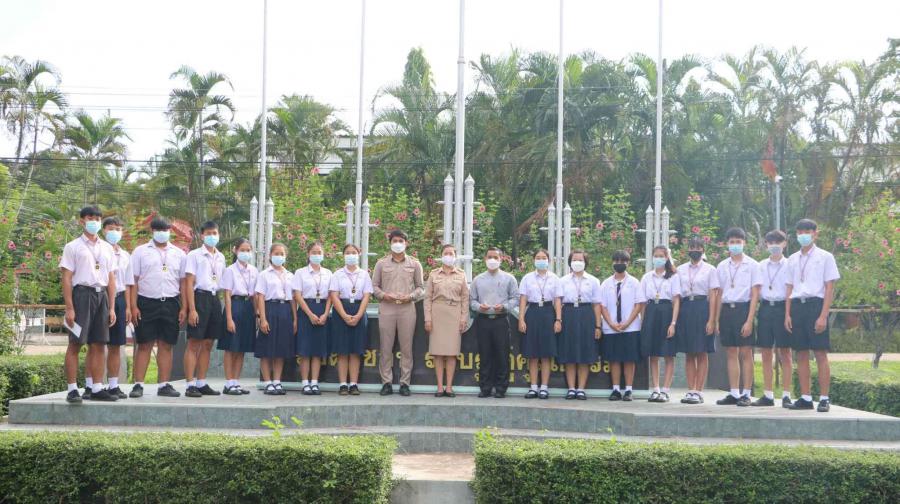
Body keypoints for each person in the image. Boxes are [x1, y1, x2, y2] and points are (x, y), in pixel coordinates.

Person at [60, 206, 118, 403]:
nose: (95, 222)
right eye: (90, 218)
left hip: (101, 295)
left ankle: (96, 387)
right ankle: (72, 389)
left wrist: (111, 307)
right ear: (82, 221)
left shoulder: (107, 247)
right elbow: (66, 278)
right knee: (75, 343)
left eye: (98, 218)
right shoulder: (73, 246)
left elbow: (111, 278)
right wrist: (69, 307)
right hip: (82, 295)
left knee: (99, 343)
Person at [127, 217, 187, 398]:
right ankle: (138, 384)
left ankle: (164, 385)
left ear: (170, 231)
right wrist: (133, 306)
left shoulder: (179, 254)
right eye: (159, 230)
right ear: (152, 231)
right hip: (146, 302)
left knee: (166, 345)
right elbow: (133, 281)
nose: (163, 233)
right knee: (144, 344)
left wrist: (184, 307)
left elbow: (183, 283)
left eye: (166, 230)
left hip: (171, 302)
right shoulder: (140, 252)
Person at [785, 219, 840, 412]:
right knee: (800, 353)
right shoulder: (792, 259)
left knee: (820, 352)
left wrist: (823, 316)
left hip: (816, 305)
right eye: (800, 232)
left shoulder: (825, 257)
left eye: (807, 231)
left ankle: (824, 398)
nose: (803, 235)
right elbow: (789, 287)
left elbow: (829, 287)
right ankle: (805, 397)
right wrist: (787, 314)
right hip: (797, 307)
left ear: (816, 233)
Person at [372, 229, 424, 397]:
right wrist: (384, 295)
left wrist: (411, 296)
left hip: (407, 308)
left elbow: (420, 288)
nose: (398, 244)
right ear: (390, 243)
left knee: (406, 348)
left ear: (406, 243)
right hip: (387, 307)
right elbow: (374, 286)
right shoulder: (381, 264)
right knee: (386, 347)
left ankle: (404, 383)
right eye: (395, 241)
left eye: (401, 241)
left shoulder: (415, 264)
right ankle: (386, 382)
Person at [714, 227, 762, 407]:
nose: (735, 245)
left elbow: (755, 294)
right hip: (727, 310)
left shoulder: (753, 265)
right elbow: (719, 294)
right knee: (731, 352)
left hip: (744, 309)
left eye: (738, 242)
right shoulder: (722, 266)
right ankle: (734, 392)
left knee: (746, 352)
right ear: (727, 244)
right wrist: (716, 319)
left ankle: (746, 393)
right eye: (732, 242)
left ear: (744, 243)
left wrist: (749, 320)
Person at [183, 221, 226, 398]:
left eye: (214, 233)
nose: (212, 236)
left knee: (208, 343)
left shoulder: (221, 257)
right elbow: (189, 283)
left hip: (214, 299)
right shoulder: (194, 255)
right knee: (194, 342)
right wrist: (192, 309)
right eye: (208, 233)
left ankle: (201, 382)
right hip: (199, 297)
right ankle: (190, 384)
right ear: (202, 235)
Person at [675, 237, 720, 404]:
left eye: (698, 247)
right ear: (688, 249)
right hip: (686, 308)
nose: (695, 250)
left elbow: (713, 296)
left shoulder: (710, 269)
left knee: (701, 351)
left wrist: (712, 320)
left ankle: (699, 391)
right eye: (692, 247)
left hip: (703, 308)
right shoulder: (680, 269)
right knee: (689, 353)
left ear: (703, 249)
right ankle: (691, 390)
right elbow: (677, 295)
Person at [469, 247, 518, 398]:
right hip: (483, 320)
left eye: (495, 257)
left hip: (501, 320)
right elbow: (472, 300)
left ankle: (501, 388)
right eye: (489, 257)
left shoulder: (509, 278)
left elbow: (515, 298)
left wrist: (504, 307)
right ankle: (485, 388)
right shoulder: (478, 279)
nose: (492, 260)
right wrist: (479, 307)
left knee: (502, 355)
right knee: (484, 355)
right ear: (485, 259)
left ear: (501, 259)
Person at [753, 230, 793, 408]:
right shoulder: (761, 265)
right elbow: (756, 290)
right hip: (765, 309)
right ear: (766, 245)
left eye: (778, 242)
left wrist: (788, 314)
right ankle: (768, 394)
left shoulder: (790, 264)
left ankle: (786, 394)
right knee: (766, 352)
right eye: (771, 242)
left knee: (785, 352)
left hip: (783, 308)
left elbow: (791, 290)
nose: (774, 245)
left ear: (785, 244)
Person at [556, 250, 603, 400]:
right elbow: (558, 301)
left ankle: (581, 388)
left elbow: (597, 304)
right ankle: (571, 388)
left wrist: (598, 326)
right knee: (569, 352)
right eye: (574, 259)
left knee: (584, 352)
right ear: (570, 262)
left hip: (586, 314)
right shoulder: (563, 280)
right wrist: (559, 320)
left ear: (585, 262)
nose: (577, 262)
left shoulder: (593, 281)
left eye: (580, 260)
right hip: (568, 314)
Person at [424, 244, 469, 397]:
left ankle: (449, 387)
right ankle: (439, 387)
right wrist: (428, 319)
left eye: (451, 254)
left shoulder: (461, 274)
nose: (448, 256)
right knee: (437, 353)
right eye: (446, 253)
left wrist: (463, 318)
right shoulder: (433, 274)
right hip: (437, 313)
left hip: (454, 313)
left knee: (451, 353)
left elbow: (465, 298)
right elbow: (427, 298)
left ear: (455, 257)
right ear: (441, 255)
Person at [599, 250, 644, 401]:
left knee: (629, 359)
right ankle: (616, 389)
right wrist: (611, 323)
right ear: (612, 263)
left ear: (628, 263)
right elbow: (602, 306)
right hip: (611, 328)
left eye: (623, 261)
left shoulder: (634, 282)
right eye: (616, 261)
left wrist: (627, 322)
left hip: (630, 327)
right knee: (614, 359)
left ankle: (629, 390)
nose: (619, 264)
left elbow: (639, 304)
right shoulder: (606, 283)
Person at [329, 244, 373, 396]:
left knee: (356, 350)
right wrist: (344, 315)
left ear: (359, 254)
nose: (351, 255)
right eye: (348, 253)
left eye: (354, 252)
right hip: (341, 310)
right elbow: (334, 296)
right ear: (343, 255)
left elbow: (367, 295)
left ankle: (353, 384)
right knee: (342, 350)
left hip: (359, 310)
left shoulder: (364, 275)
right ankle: (343, 384)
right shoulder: (337, 274)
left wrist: (359, 315)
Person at [517, 249, 561, 399]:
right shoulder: (527, 278)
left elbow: (557, 300)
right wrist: (521, 319)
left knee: (546, 354)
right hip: (533, 313)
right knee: (533, 354)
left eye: (543, 257)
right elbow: (523, 299)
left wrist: (558, 320)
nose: (541, 260)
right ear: (534, 260)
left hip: (548, 313)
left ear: (549, 260)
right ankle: (533, 387)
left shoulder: (555, 278)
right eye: (538, 257)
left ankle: (544, 387)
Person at [254, 243, 297, 396]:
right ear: (270, 256)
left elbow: (293, 299)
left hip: (285, 311)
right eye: (276, 253)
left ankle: (277, 381)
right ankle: (267, 382)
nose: (279, 256)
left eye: (282, 254)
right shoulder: (264, 274)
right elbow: (260, 296)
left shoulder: (290, 275)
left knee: (281, 349)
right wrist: (262, 318)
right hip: (270, 309)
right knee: (266, 349)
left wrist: (295, 318)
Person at [217, 238, 258, 395]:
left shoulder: (254, 270)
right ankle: (228, 383)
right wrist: (229, 318)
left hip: (248, 308)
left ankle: (236, 381)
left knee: (242, 348)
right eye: (242, 250)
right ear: (235, 250)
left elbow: (255, 295)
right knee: (231, 347)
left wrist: (257, 314)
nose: (245, 253)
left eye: (248, 250)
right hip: (234, 305)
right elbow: (227, 295)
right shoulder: (230, 270)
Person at [641, 246, 682, 403]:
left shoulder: (673, 276)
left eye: (661, 256)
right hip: (651, 311)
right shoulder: (647, 277)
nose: (658, 259)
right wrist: (643, 322)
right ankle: (656, 388)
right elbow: (642, 302)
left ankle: (665, 390)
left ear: (666, 258)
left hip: (666, 312)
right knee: (654, 354)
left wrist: (673, 323)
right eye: (656, 256)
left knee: (668, 353)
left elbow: (676, 300)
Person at [292, 242, 332, 395]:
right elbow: (297, 295)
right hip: (306, 310)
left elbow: (331, 295)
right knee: (305, 350)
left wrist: (326, 313)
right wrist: (309, 314)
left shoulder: (328, 273)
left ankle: (314, 382)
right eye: (314, 252)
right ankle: (305, 383)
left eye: (319, 252)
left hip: (322, 310)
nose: (316, 255)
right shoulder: (300, 273)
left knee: (317, 350)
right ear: (308, 254)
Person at [102, 216, 130, 400]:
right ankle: (92, 385)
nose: (115, 232)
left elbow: (128, 283)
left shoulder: (125, 255)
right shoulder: (99, 250)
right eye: (111, 229)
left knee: (116, 345)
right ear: (103, 230)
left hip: (120, 299)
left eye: (118, 229)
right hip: (100, 297)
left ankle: (113, 385)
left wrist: (128, 307)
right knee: (96, 345)